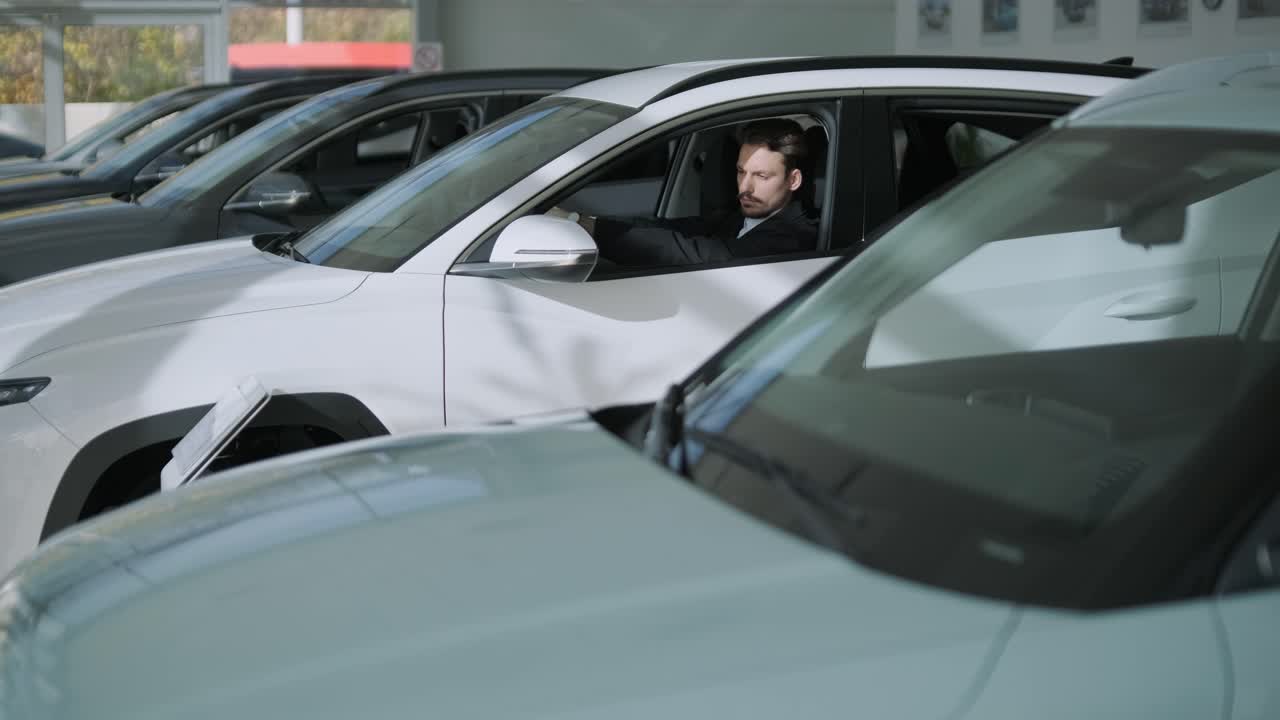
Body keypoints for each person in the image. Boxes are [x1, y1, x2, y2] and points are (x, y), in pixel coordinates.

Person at [554, 118, 819, 269]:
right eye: (741, 172)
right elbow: (668, 228)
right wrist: (581, 222)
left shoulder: (795, 237)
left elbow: (695, 253)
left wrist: (585, 226)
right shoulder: (735, 218)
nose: (745, 187)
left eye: (761, 176)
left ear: (793, 180)